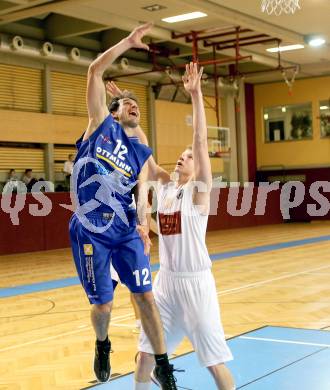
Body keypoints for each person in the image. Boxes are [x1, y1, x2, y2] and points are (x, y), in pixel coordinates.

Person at [69, 23, 178, 389]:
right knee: (102, 307)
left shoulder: (138, 150)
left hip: (124, 231)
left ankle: (163, 365)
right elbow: (95, 71)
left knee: (145, 296)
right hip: (91, 230)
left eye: (137, 106)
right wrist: (128, 43)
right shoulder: (99, 124)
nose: (134, 107)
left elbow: (149, 182)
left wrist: (145, 221)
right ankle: (102, 344)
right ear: (112, 112)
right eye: (127, 105)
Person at [130, 63, 235, 390]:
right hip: (167, 284)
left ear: (198, 166)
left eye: (189, 157)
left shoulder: (198, 193)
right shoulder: (164, 188)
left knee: (214, 364)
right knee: (145, 355)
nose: (183, 157)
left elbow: (201, 140)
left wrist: (195, 94)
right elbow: (145, 155)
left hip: (196, 285)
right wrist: (130, 121)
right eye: (181, 154)